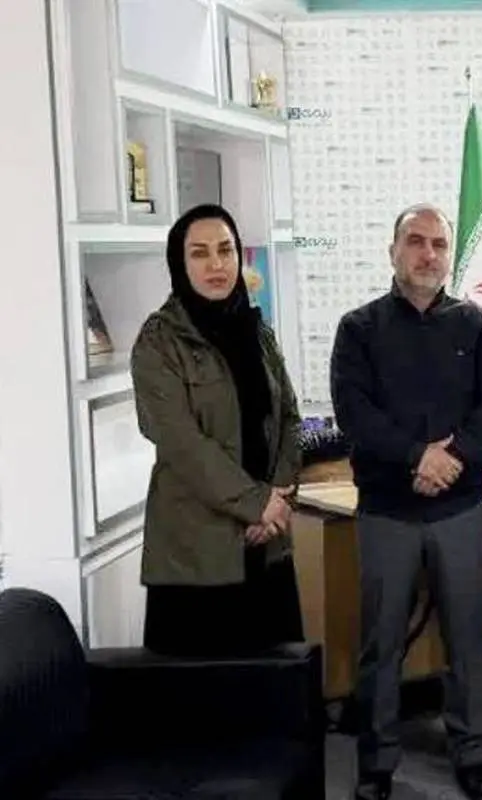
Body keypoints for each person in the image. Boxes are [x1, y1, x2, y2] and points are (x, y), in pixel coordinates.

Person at [331, 204, 482, 800]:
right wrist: (417, 457)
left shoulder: (473, 324)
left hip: (459, 507)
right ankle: (377, 761)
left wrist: (451, 457)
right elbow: (355, 414)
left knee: (467, 637)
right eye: (415, 241)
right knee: (382, 641)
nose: (428, 254)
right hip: (388, 509)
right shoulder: (359, 328)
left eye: (438, 244)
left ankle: (473, 753)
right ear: (393, 250)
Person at [131, 203, 303, 656]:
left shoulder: (256, 331)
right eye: (200, 253)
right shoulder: (159, 342)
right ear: (179, 263)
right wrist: (257, 504)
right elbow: (181, 444)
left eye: (226, 250)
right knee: (202, 693)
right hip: (197, 558)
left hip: (266, 546)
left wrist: (279, 498)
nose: (216, 264)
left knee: (273, 684)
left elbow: (288, 418)